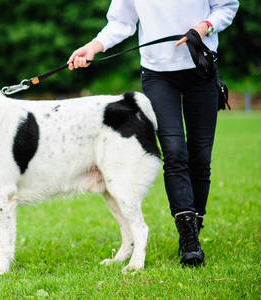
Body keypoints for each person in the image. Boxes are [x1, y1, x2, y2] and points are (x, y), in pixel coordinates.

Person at [67, 0, 239, 266]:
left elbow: (227, 6)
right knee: (173, 152)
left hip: (201, 68)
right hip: (158, 76)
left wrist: (206, 26)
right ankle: (189, 237)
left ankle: (195, 223)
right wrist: (92, 47)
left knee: (200, 157)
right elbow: (121, 23)